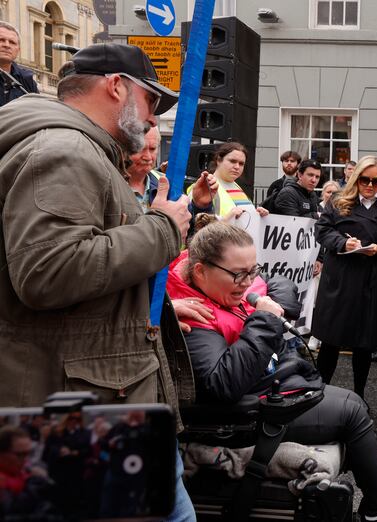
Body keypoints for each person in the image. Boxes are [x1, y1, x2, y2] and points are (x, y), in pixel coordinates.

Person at [0, 43, 194, 520]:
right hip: (79, 412)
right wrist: (163, 229)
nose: (152, 122)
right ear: (115, 87)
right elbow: (49, 271)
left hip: (98, 402)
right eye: (150, 103)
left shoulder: (80, 151)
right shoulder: (63, 151)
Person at [167, 221, 377, 522]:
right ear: (199, 270)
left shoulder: (216, 284)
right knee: (352, 411)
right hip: (244, 415)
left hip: (263, 387)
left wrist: (260, 295)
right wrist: (264, 319)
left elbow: (269, 285)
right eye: (239, 275)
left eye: (252, 270)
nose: (247, 282)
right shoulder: (193, 315)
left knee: (353, 405)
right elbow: (224, 384)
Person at [311, 156, 377, 400]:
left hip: (372, 281)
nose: (369, 185)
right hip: (341, 280)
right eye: (365, 179)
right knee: (331, 341)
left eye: (375, 181)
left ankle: (359, 396)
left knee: (363, 344)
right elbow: (322, 231)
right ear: (356, 179)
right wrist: (343, 243)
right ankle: (318, 394)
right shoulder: (338, 201)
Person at [126, 126, 218, 215]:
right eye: (140, 149)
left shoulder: (168, 183)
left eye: (152, 149)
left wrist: (200, 205)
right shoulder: (112, 183)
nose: (148, 157)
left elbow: (186, 226)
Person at [189, 142, 268, 222]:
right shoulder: (204, 187)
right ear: (219, 160)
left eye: (241, 164)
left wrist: (257, 215)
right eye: (232, 161)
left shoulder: (236, 186)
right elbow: (195, 225)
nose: (237, 167)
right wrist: (226, 220)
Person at [0, 22, 38, 107]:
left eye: (12, 42)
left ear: (18, 50)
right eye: (1, 40)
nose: (7, 45)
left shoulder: (27, 79)